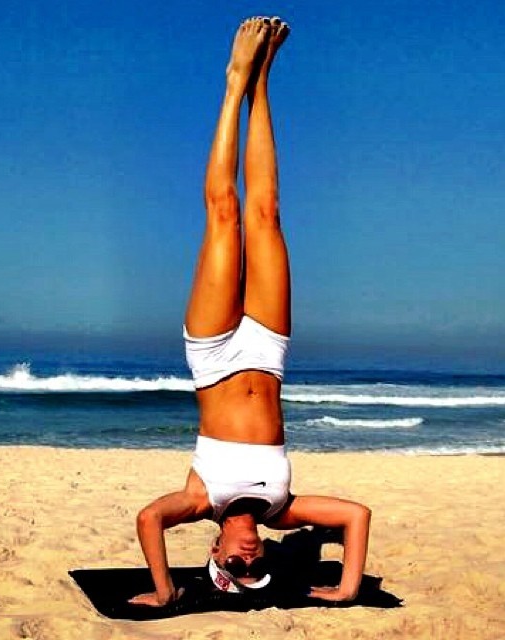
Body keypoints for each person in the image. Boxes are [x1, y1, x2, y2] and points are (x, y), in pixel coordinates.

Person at [129, 16, 371, 607]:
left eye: (233, 566)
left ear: (214, 550)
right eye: (255, 567)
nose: (247, 558)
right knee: (266, 213)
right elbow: (356, 515)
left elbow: (148, 519)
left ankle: (234, 81)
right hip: (267, 350)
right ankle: (262, 81)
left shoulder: (199, 500)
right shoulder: (282, 510)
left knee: (223, 213)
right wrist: (346, 589)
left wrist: (164, 591)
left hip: (213, 356)